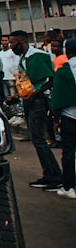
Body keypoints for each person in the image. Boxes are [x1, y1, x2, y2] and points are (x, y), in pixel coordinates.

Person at [10, 30, 63, 190]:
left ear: (21, 41)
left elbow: (50, 79)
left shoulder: (36, 55)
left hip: (38, 101)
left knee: (39, 139)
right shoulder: (24, 57)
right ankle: (49, 174)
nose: (11, 46)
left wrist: (36, 92)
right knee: (37, 139)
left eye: (13, 43)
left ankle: (54, 176)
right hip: (29, 99)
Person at [52, 38, 76, 198]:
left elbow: (57, 98)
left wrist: (55, 120)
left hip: (70, 116)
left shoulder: (64, 71)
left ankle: (69, 187)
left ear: (67, 51)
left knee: (68, 152)